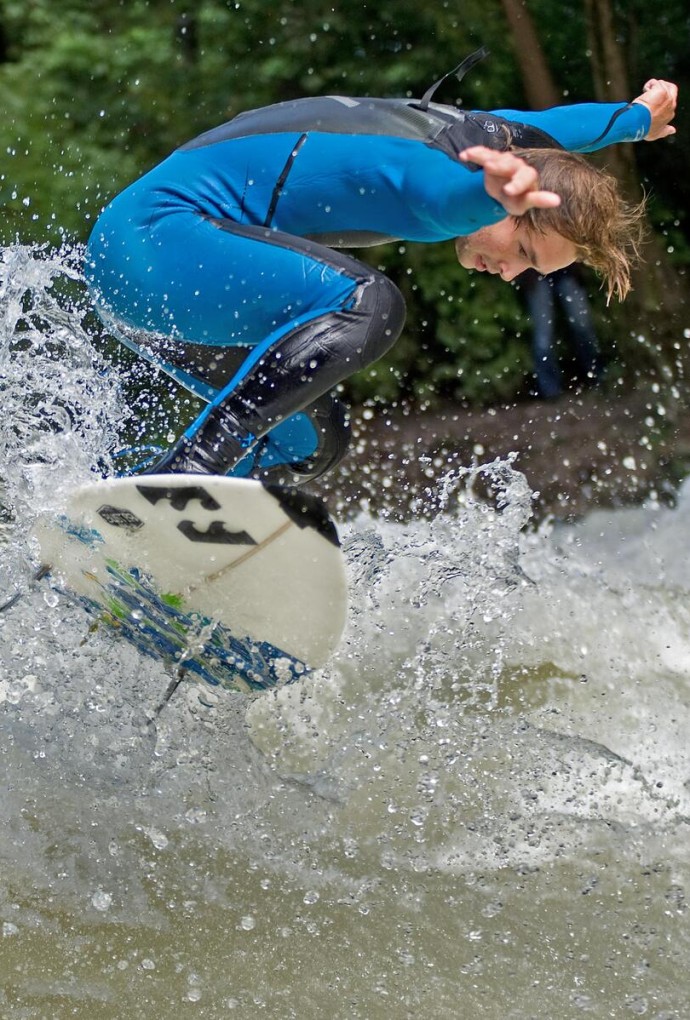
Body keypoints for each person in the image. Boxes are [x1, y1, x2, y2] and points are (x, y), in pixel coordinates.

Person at [85, 64, 677, 485]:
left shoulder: (485, 132)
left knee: (310, 442)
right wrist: (491, 195)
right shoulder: (438, 175)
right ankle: (185, 475)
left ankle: (121, 509)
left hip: (166, 285)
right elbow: (447, 198)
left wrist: (635, 118)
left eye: (530, 271)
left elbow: (558, 127)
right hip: (155, 243)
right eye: (523, 248)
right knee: (372, 303)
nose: (508, 273)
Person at [518, 265, 600, 399]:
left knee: (582, 326)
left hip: (566, 271)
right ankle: (550, 389)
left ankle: (596, 375)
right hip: (536, 275)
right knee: (543, 337)